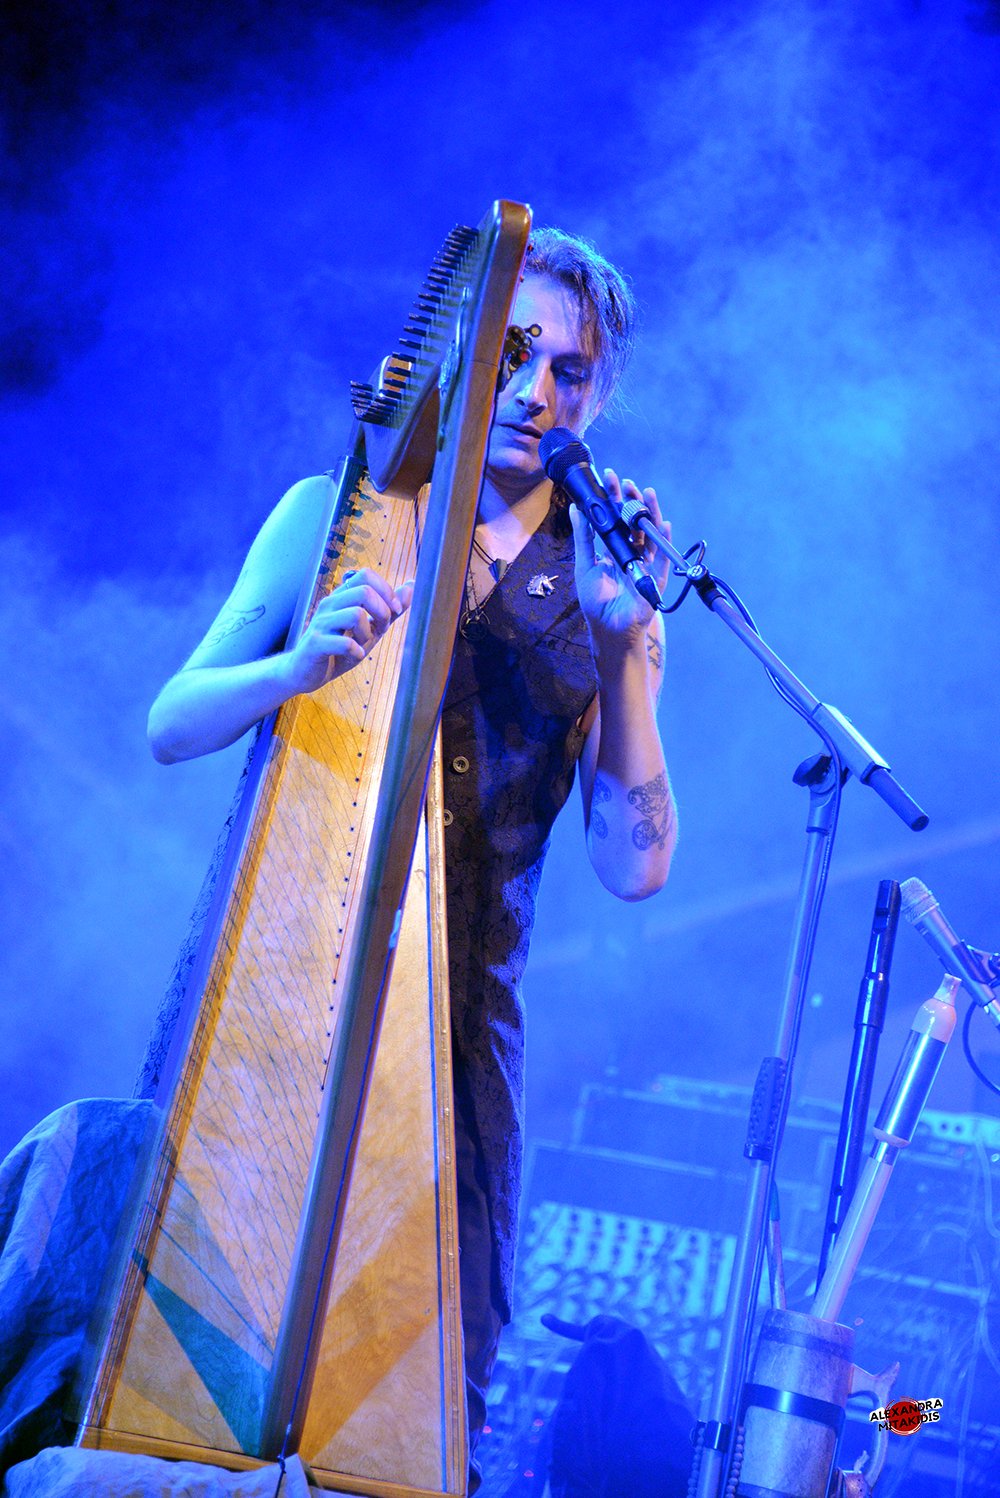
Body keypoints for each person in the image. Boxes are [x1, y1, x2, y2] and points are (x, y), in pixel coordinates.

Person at [144, 227, 677, 1490]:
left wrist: (625, 653)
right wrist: (296, 667)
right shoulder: (337, 512)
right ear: (459, 351)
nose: (535, 390)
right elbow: (171, 722)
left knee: (427, 1398)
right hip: (287, 994)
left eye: (570, 371)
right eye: (511, 354)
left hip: (464, 1037)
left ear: (599, 396)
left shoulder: (602, 582)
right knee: (209, 1366)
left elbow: (634, 867)